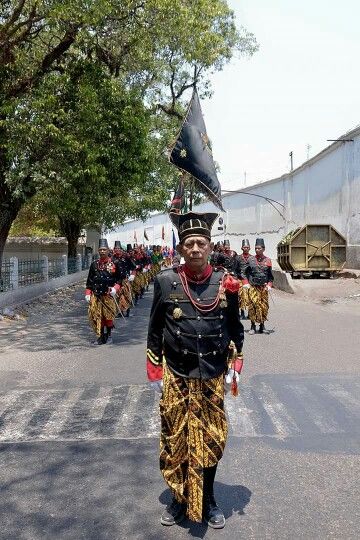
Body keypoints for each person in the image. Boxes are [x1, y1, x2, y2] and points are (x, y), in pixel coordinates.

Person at [147, 211, 244, 529]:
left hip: (212, 375)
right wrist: (155, 368)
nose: (195, 248)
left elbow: (234, 327)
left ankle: (209, 498)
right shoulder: (165, 281)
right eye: (189, 243)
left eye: (201, 242)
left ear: (210, 245)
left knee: (211, 438)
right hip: (177, 375)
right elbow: (154, 328)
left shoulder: (225, 283)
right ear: (181, 248)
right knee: (177, 439)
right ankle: (179, 498)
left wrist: (236, 362)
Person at [85, 239, 126, 344]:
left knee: (108, 316)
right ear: (98, 251)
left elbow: (120, 279)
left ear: (108, 250)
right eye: (100, 250)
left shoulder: (115, 263)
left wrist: (115, 288)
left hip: (108, 294)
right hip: (96, 295)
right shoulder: (94, 264)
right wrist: (88, 293)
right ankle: (100, 336)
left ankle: (109, 336)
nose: (102, 251)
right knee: (97, 315)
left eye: (104, 249)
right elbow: (89, 281)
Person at [241, 238, 273, 334]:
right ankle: (252, 326)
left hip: (263, 288)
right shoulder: (251, 259)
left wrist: (269, 285)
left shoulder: (268, 260)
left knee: (263, 307)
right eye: (255, 248)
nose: (257, 250)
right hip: (253, 287)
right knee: (253, 306)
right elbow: (243, 272)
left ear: (263, 249)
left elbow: (270, 276)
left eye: (259, 248)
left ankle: (262, 326)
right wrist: (245, 283)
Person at [238, 239, 252, 319]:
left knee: (250, 297)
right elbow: (236, 269)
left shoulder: (252, 258)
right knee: (241, 297)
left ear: (249, 248)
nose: (246, 248)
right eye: (244, 247)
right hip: (241, 280)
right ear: (242, 248)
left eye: (247, 247)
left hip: (250, 280)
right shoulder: (238, 258)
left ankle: (250, 313)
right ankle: (242, 312)